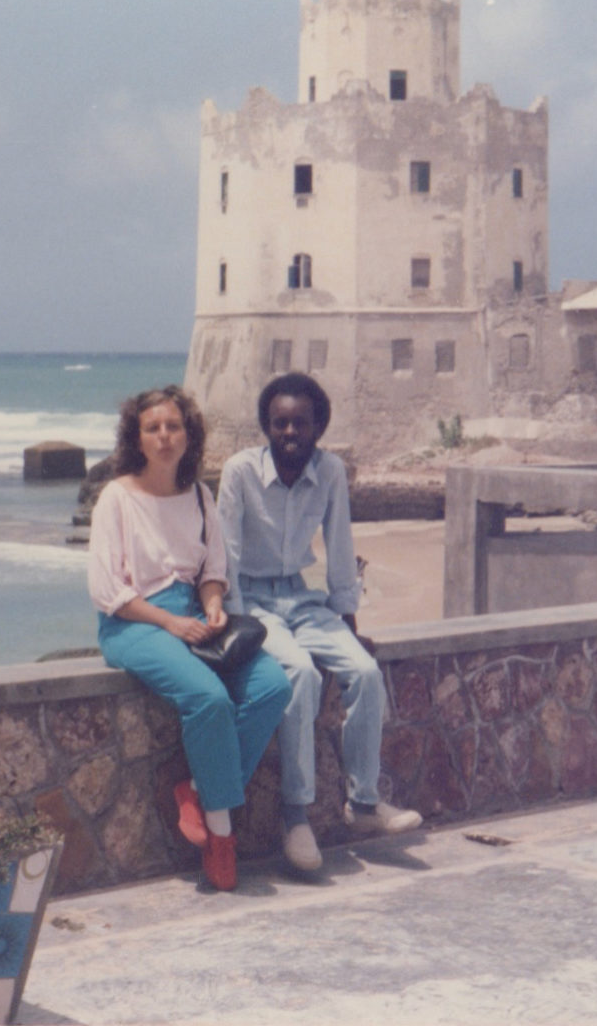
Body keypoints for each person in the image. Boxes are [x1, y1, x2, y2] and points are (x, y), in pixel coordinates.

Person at [88, 386, 290, 892]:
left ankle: (197, 788)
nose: (164, 436)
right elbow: (107, 591)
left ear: (188, 434)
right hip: (135, 623)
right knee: (208, 698)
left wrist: (215, 604)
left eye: (173, 426)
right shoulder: (116, 497)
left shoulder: (201, 495)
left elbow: (213, 570)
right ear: (137, 437)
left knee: (272, 686)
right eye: (153, 427)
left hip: (198, 619)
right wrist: (170, 623)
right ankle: (221, 837)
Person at [218, 372, 422, 873]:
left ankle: (366, 803)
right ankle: (296, 815)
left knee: (365, 671)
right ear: (267, 426)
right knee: (302, 676)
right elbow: (226, 556)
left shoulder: (329, 471)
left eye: (300, 423)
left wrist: (347, 621)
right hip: (254, 602)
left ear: (317, 427)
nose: (290, 432)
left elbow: (340, 546)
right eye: (280, 423)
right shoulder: (239, 471)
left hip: (302, 598)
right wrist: (237, 626)